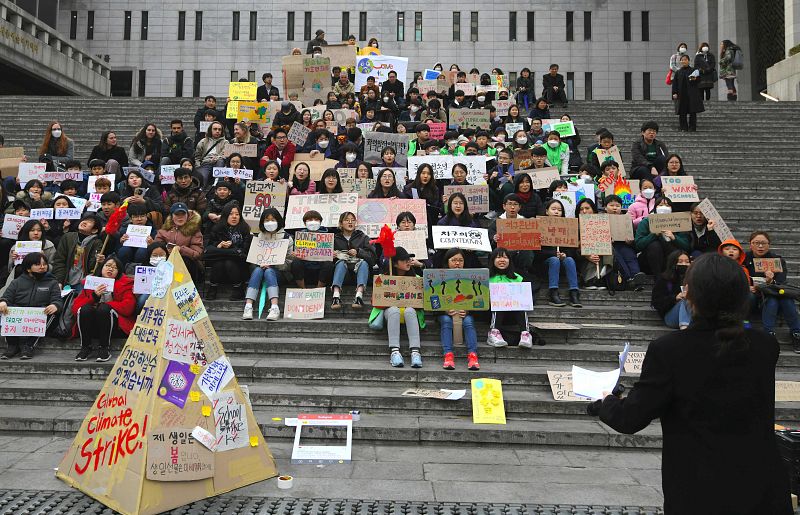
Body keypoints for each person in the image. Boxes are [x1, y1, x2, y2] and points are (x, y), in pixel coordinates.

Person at [592, 252, 792, 515]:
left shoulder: (669, 350)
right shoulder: (766, 346)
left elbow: (631, 418)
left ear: (690, 295)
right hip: (762, 486)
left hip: (699, 488)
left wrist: (606, 401)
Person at [72, 256, 135, 362]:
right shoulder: (91, 283)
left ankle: (104, 348)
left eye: (115, 268)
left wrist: (108, 304)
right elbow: (75, 309)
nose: (110, 269)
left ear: (118, 272)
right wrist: (94, 297)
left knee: (104, 308)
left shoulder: (125, 284)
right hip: (90, 325)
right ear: (102, 267)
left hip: (113, 326)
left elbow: (128, 308)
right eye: (108, 266)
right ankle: (85, 347)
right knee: (85, 308)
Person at [369, 247, 424, 368]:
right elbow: (375, 301)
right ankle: (395, 352)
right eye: (404, 260)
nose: (408, 262)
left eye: (409, 259)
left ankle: (415, 352)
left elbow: (422, 303)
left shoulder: (417, 280)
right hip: (392, 313)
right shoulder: (383, 278)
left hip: (409, 313)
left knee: (410, 310)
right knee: (393, 310)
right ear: (394, 263)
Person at [745, 231, 800, 351]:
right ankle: (755, 329)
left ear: (769, 245)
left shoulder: (777, 260)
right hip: (753, 298)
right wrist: (747, 286)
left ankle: (796, 333)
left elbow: (780, 282)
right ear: (750, 244)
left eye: (763, 243)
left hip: (773, 296)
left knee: (783, 299)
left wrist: (770, 281)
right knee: (751, 296)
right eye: (757, 243)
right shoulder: (744, 258)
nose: (760, 246)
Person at [0, 253, 61, 360]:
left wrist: (55, 305)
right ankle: (12, 346)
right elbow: (7, 297)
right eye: (38, 264)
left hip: (39, 315)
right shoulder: (16, 282)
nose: (42, 267)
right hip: (19, 314)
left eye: (44, 264)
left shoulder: (52, 282)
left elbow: (57, 300)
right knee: (5, 309)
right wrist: (3, 302)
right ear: (28, 268)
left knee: (53, 314)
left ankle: (28, 345)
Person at [242, 208, 294, 321]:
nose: (270, 222)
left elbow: (289, 262)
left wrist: (273, 265)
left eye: (273, 219)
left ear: (278, 220)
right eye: (267, 220)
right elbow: (253, 258)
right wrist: (259, 263)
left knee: (269, 271)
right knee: (257, 270)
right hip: (260, 271)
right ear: (262, 222)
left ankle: (274, 307)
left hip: (279, 273)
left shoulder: (287, 238)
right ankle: (248, 305)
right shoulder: (258, 237)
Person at [438, 248, 480, 371]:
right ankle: (448, 355)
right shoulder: (439, 277)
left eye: (460, 260)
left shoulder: (471, 278)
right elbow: (432, 300)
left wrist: (468, 310)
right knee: (446, 320)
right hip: (444, 313)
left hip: (464, 312)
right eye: (454, 260)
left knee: (468, 321)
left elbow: (477, 299)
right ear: (447, 261)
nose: (457, 263)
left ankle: (473, 355)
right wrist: (444, 310)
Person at [326, 211, 376, 309]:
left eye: (353, 220)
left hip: (360, 273)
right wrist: (331, 256)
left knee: (364, 263)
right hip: (343, 275)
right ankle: (336, 296)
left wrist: (358, 252)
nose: (350, 222)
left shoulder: (363, 237)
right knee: (340, 262)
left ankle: (359, 296)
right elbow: (323, 260)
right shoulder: (334, 239)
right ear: (340, 223)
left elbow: (373, 259)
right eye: (347, 220)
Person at [487, 247, 534, 348]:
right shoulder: (486, 278)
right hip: (493, 313)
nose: (502, 260)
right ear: (493, 260)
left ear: (509, 260)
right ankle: (493, 333)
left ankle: (525, 334)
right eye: (498, 257)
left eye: (505, 257)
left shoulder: (517, 277)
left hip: (514, 313)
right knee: (500, 301)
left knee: (520, 302)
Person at [204, 203, 252, 300]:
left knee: (229, 262)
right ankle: (213, 287)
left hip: (239, 267)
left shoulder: (245, 228)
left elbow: (244, 252)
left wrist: (230, 248)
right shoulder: (217, 228)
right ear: (225, 215)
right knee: (219, 263)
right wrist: (219, 245)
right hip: (219, 266)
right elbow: (208, 249)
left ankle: (238, 288)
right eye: (231, 214)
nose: (234, 217)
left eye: (237, 214)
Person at [634, 196, 691, 275]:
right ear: (655, 208)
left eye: (667, 205)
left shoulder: (679, 222)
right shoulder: (646, 222)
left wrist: (674, 238)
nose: (664, 207)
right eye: (660, 205)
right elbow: (638, 244)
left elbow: (686, 246)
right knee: (655, 245)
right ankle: (658, 278)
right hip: (650, 260)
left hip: (672, 259)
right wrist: (653, 235)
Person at [52, 214, 104, 289]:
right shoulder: (68, 237)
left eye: (90, 222)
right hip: (66, 279)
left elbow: (93, 268)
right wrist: (59, 281)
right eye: (84, 220)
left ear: (94, 230)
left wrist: (99, 261)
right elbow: (59, 261)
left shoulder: (97, 243)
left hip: (84, 281)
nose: (84, 222)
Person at [155, 203, 204, 284]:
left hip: (188, 264)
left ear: (187, 215)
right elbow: (157, 245)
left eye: (183, 214)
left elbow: (197, 253)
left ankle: (180, 286)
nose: (180, 217)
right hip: (167, 260)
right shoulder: (164, 229)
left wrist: (181, 249)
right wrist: (153, 245)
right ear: (172, 216)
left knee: (183, 261)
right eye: (177, 214)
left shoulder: (195, 230)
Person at [651, 250, 692, 329]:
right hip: (670, 316)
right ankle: (685, 329)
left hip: (693, 314)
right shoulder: (664, 280)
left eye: (687, 262)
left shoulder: (694, 278)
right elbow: (656, 302)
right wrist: (675, 298)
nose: (684, 264)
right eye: (680, 262)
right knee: (684, 300)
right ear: (673, 263)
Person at [116, 203, 156, 267]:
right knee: (124, 250)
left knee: (142, 251)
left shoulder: (153, 230)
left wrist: (152, 244)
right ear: (131, 219)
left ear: (146, 217)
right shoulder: (124, 230)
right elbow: (116, 249)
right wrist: (121, 242)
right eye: (136, 216)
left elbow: (157, 248)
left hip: (144, 256)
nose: (139, 219)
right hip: (128, 254)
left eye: (142, 216)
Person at [672, 54, 705, 132]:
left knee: (692, 111)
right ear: (680, 61)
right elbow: (675, 84)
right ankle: (683, 127)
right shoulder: (678, 72)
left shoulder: (694, 70)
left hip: (692, 94)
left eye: (685, 59)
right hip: (681, 95)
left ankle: (692, 127)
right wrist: (674, 93)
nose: (684, 61)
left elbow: (699, 80)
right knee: (682, 112)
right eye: (682, 60)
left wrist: (695, 78)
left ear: (689, 61)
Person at [193, 121, 227, 186]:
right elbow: (197, 156)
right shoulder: (203, 141)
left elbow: (225, 154)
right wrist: (198, 166)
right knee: (202, 177)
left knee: (220, 160)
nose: (217, 131)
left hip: (219, 162)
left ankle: (217, 182)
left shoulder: (225, 142)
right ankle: (201, 191)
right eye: (215, 129)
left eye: (219, 129)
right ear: (210, 130)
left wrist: (217, 158)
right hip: (206, 162)